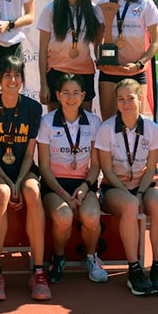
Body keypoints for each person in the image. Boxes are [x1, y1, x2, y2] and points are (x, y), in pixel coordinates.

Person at [0, 54, 48, 301]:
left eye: (17, 75)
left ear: (22, 79)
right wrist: (8, 181)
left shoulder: (33, 108)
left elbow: (29, 155)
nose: (12, 80)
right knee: (2, 193)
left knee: (33, 192)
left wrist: (19, 181)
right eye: (7, 75)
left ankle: (38, 271)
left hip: (23, 170)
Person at [95, 78, 158, 296]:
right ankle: (134, 269)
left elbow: (151, 168)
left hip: (141, 186)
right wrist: (130, 195)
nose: (126, 103)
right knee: (129, 205)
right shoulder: (107, 129)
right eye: (121, 99)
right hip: (114, 189)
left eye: (130, 98)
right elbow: (107, 170)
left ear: (140, 99)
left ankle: (157, 267)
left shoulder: (152, 128)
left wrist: (140, 193)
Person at [36, 74, 106, 284]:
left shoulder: (93, 122)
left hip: (83, 184)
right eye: (66, 93)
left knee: (91, 216)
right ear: (58, 95)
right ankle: (58, 257)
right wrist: (65, 195)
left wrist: (84, 188)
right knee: (64, 215)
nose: (71, 97)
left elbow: (96, 165)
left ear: (83, 96)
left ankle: (91, 257)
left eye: (76, 93)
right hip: (55, 185)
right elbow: (44, 167)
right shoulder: (47, 122)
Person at [96, 0, 158, 121]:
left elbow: (156, 42)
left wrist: (139, 63)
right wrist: (104, 60)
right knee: (109, 124)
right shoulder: (102, 4)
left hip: (136, 71)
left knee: (137, 125)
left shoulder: (146, 4)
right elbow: (97, 41)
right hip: (110, 72)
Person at [38, 0, 104, 113]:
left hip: (84, 72)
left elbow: (98, 45)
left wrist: (103, 59)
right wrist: (43, 84)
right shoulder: (50, 10)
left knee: (85, 121)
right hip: (56, 72)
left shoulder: (94, 10)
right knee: (55, 122)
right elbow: (43, 49)